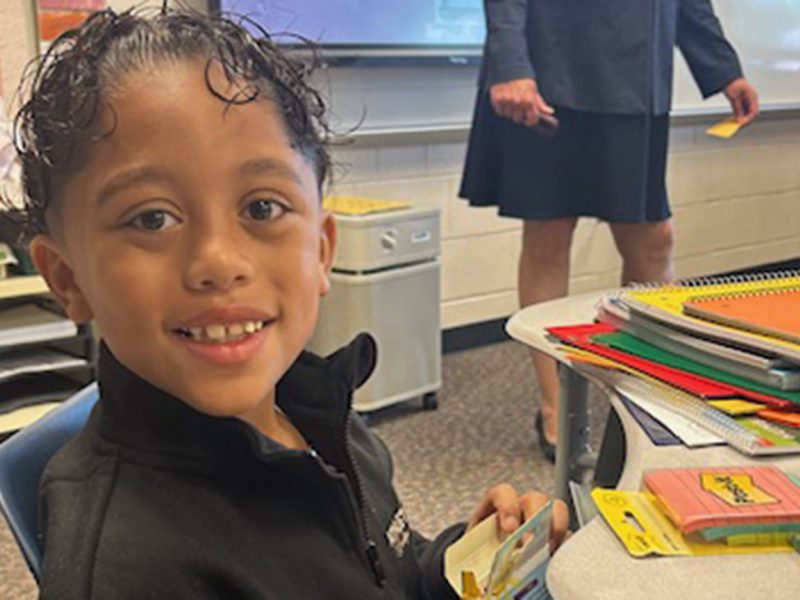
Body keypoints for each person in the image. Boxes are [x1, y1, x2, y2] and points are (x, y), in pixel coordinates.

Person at [7, 7, 568, 599]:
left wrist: (465, 564)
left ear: (322, 250)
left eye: (262, 208)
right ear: (67, 279)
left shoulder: (317, 411)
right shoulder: (130, 570)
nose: (219, 262)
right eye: (152, 219)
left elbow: (389, 566)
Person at [459, 0, 759, 461]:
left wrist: (724, 69)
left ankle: (654, 391)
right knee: (548, 236)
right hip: (548, 67)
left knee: (653, 239)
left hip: (636, 77)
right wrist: (512, 63)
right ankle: (554, 406)